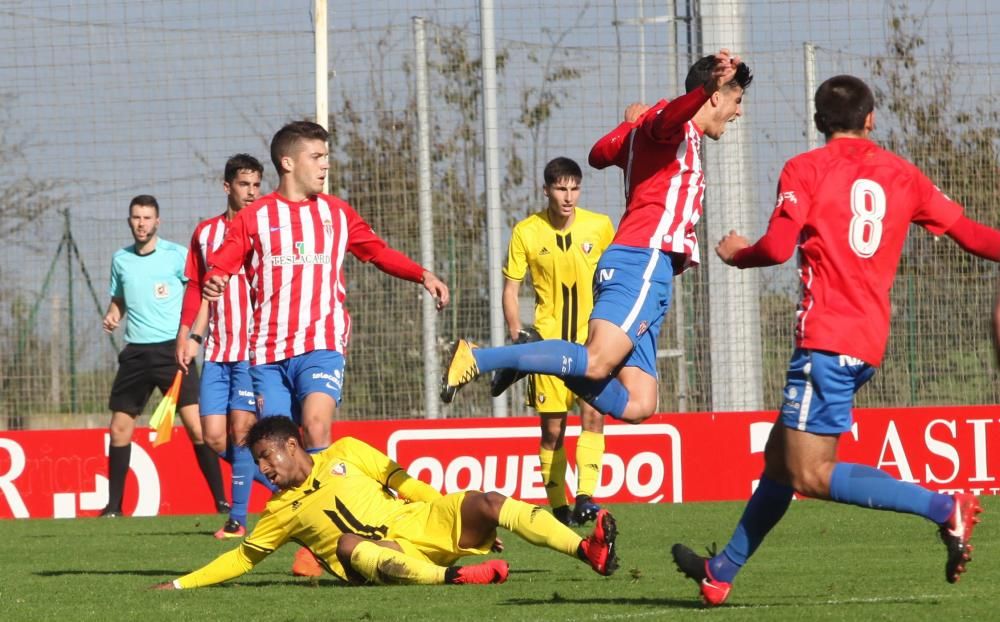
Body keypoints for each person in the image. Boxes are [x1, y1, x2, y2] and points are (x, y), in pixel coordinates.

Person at [671, 74, 993, 606]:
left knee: (811, 474)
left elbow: (776, 248)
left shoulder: (805, 169)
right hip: (866, 340)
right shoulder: (902, 174)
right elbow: (971, 234)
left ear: (819, 123)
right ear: (870, 120)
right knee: (780, 463)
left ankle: (945, 508)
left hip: (826, 341)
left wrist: (736, 251)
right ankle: (721, 570)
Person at [441, 50, 752, 426]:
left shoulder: (651, 132)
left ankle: (533, 358)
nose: (739, 112)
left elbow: (598, 155)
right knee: (597, 361)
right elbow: (668, 117)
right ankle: (479, 358)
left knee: (639, 403)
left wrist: (628, 126)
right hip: (642, 259)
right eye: (737, 101)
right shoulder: (674, 124)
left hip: (644, 268)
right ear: (715, 94)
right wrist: (700, 90)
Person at [201, 121, 449, 573]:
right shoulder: (255, 217)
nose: (325, 165)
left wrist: (423, 274)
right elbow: (226, 258)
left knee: (315, 429)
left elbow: (376, 250)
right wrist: (216, 274)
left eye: (326, 157)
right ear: (288, 162)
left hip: (321, 344)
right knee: (277, 452)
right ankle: (321, 538)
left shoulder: (336, 213)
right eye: (317, 157)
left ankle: (325, 543)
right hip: (269, 354)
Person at [151, 416, 619, 589]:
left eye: (265, 458)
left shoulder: (347, 451)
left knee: (489, 500)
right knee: (349, 544)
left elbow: (408, 484)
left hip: (419, 522)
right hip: (381, 559)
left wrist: (454, 512)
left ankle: (587, 551)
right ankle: (455, 577)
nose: (263, 470)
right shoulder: (278, 513)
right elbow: (241, 558)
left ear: (291, 446)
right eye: (257, 463)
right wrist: (179, 585)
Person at [494, 157, 614, 526]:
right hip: (547, 343)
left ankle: (586, 497)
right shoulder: (526, 232)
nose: (568, 196)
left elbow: (616, 277)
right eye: (561, 188)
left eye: (574, 188)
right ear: (546, 189)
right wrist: (517, 336)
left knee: (594, 415)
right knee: (552, 429)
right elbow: (511, 291)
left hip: (590, 341)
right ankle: (559, 507)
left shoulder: (600, 227)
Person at [101, 194, 227, 517]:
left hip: (174, 350)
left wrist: (191, 335)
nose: (141, 223)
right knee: (119, 428)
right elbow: (119, 300)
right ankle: (114, 508)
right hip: (136, 354)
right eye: (136, 217)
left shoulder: (177, 256)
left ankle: (221, 502)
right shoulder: (121, 259)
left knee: (198, 429)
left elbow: (198, 294)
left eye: (147, 218)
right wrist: (114, 314)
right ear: (129, 221)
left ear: (158, 222)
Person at [176, 154, 273, 539]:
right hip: (215, 349)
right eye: (244, 185)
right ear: (227, 186)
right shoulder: (205, 233)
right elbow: (197, 287)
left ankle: (237, 518)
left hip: (252, 351)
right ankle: (283, 487)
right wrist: (188, 335)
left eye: (256, 185)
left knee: (241, 433)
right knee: (213, 436)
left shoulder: (265, 229)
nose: (252, 192)